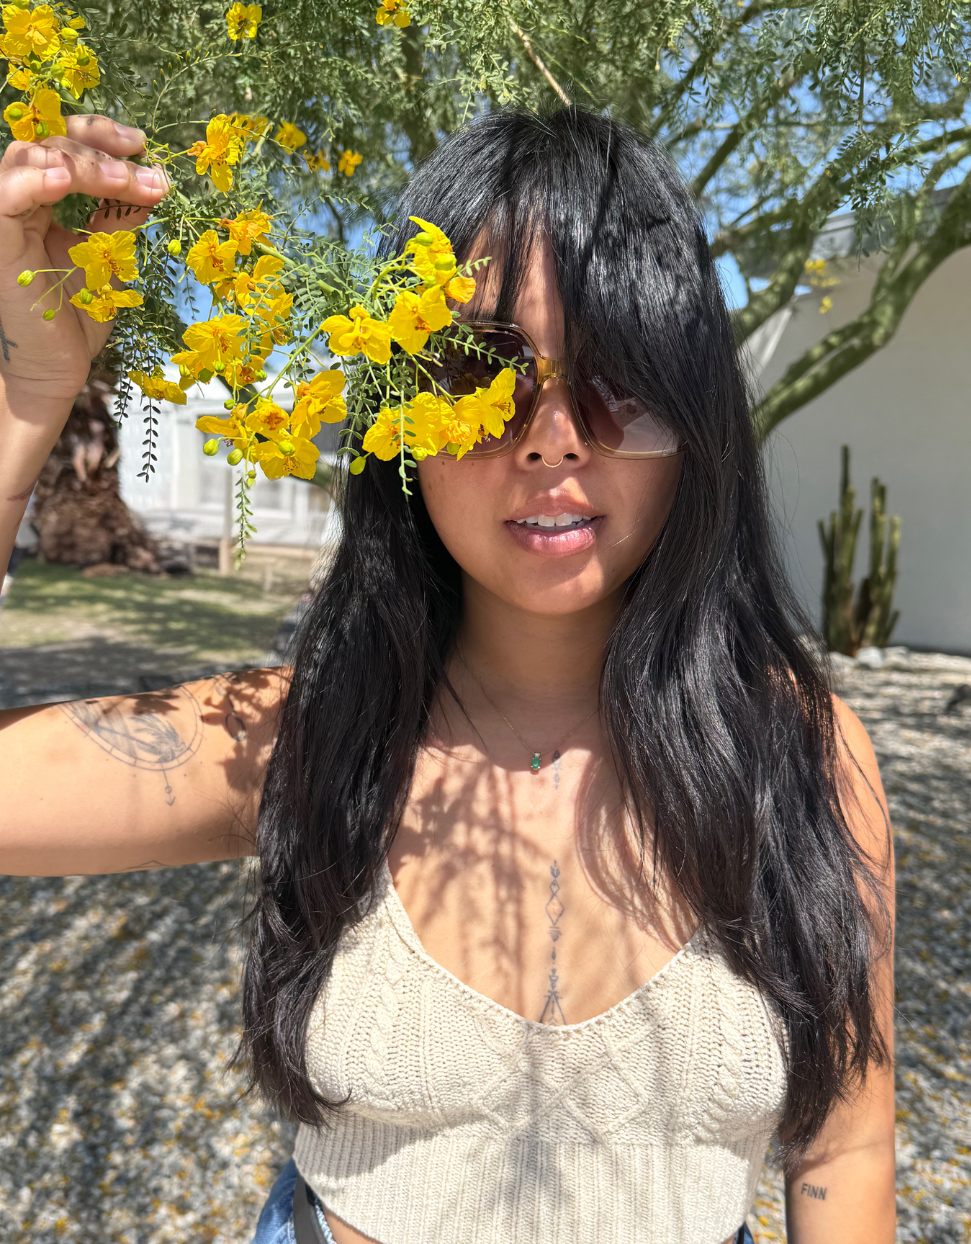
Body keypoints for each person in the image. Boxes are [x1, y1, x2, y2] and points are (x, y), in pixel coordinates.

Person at [0, 106, 896, 1244]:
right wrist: (28, 395)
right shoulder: (302, 735)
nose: (552, 436)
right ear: (397, 418)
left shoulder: (801, 751)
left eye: (621, 381)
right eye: (479, 370)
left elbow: (844, 1145)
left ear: (698, 412)